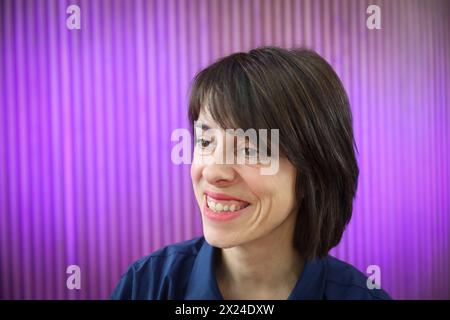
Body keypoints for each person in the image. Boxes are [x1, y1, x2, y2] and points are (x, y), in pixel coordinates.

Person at [110, 47, 391, 300]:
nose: (214, 171)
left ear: (311, 174)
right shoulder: (146, 286)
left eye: (250, 149)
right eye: (206, 142)